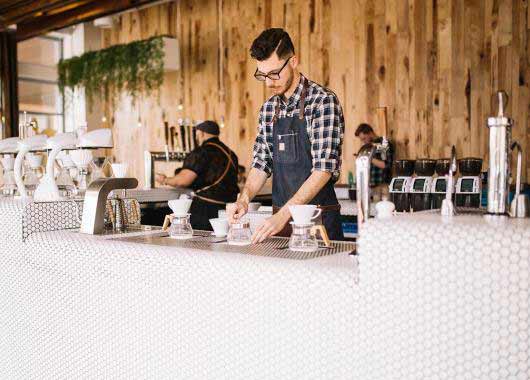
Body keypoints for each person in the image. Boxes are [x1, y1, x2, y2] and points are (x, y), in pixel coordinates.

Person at [227, 28, 345, 242]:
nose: (269, 82)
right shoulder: (268, 109)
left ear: (293, 61)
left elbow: (323, 170)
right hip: (279, 224)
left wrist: (284, 215)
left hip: (318, 221)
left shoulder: (322, 102)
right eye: (262, 75)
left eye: (274, 73)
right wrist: (244, 199)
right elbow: (262, 163)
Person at [156, 120, 239, 230]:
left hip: (206, 210)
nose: (197, 137)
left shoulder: (201, 152)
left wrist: (164, 179)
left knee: (201, 243)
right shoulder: (231, 154)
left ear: (201, 133)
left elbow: (182, 180)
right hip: (229, 210)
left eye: (197, 134)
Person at [354, 123, 394, 187]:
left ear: (370, 133)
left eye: (364, 138)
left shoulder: (382, 144)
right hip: (368, 186)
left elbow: (386, 165)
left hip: (382, 186)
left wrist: (368, 158)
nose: (363, 142)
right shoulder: (368, 147)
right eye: (362, 140)